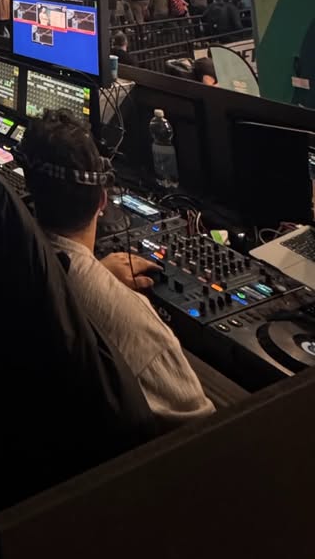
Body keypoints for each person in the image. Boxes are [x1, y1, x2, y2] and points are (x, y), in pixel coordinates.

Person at [20, 110, 214, 428]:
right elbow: (204, 432)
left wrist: (92, 271)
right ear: (102, 201)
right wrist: (95, 281)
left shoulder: (11, 253)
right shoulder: (138, 325)